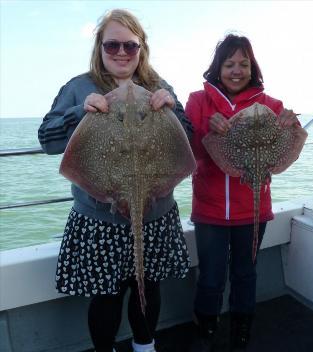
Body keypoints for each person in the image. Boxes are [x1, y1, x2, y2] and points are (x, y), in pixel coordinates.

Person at [38, 9, 193, 352]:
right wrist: (79, 113)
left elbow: (188, 140)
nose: (121, 53)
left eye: (130, 45)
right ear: (99, 47)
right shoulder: (79, 88)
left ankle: (144, 346)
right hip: (100, 217)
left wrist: (173, 111)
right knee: (105, 296)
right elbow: (47, 139)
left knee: (147, 287)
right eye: (112, 45)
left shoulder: (158, 86)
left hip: (154, 212)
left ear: (141, 48)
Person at [185, 33, 304, 352]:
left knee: (245, 273)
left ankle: (241, 333)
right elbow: (191, 154)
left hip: (253, 210)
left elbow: (284, 155)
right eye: (229, 64)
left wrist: (291, 127)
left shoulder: (271, 105)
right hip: (210, 210)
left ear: (253, 67)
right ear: (217, 67)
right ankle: (206, 330)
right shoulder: (198, 101)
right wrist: (208, 130)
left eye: (243, 63)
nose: (236, 70)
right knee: (210, 276)